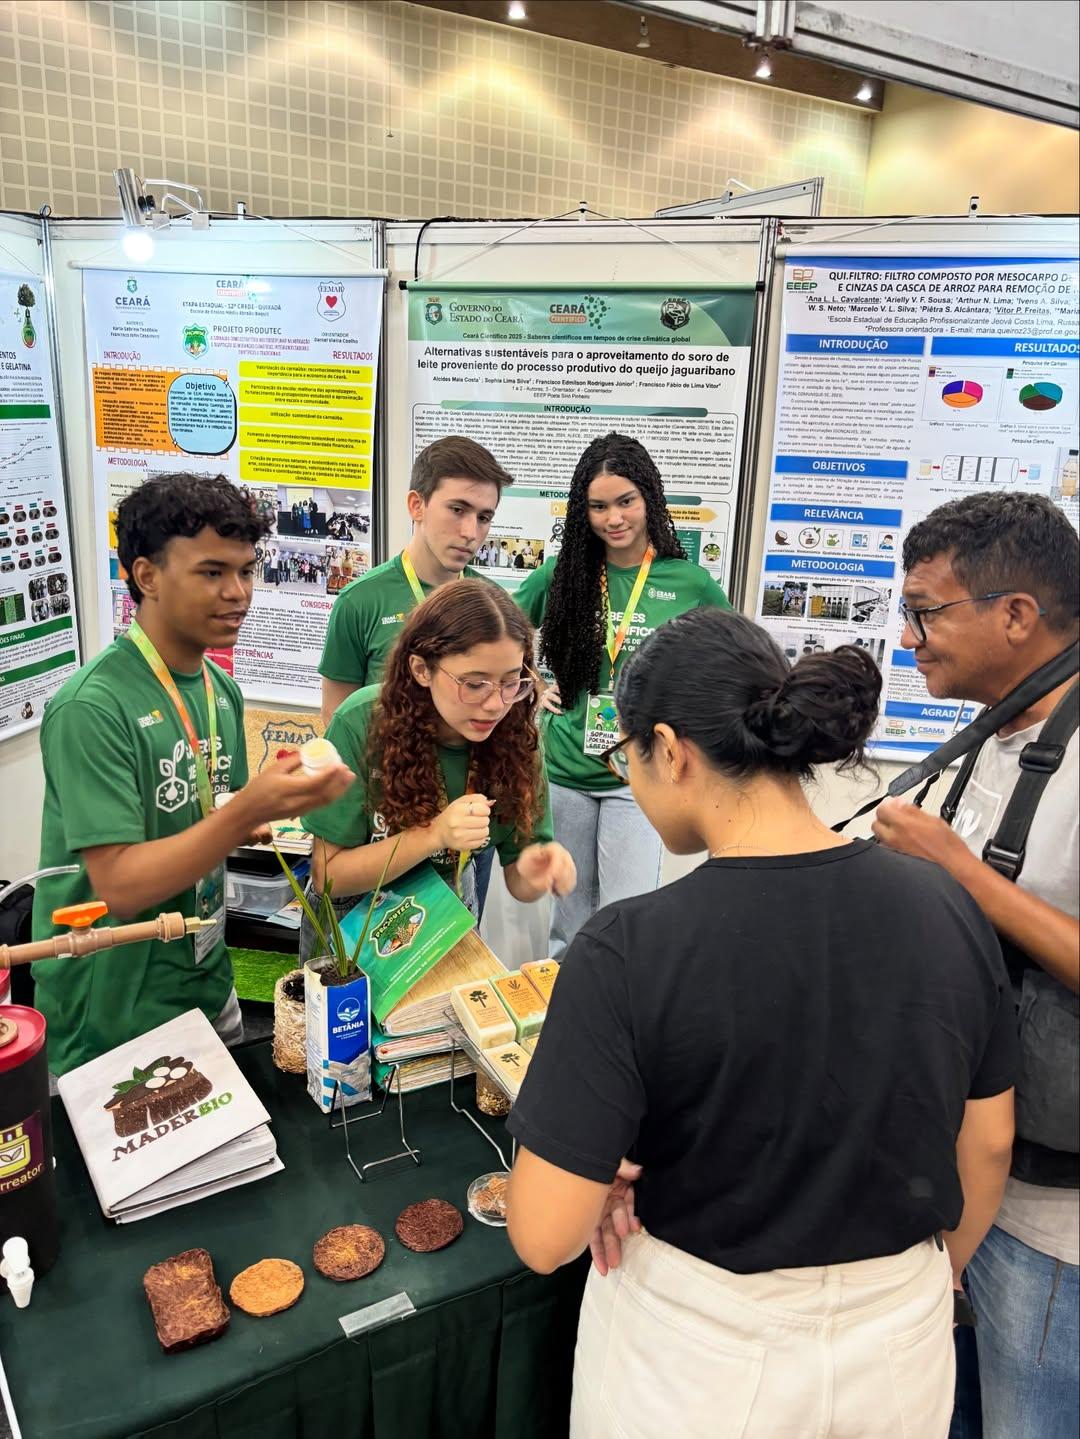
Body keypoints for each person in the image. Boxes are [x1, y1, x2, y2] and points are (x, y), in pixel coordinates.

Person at [504, 606, 1017, 1439]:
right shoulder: (945, 905)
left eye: (626, 754)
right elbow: (987, 1142)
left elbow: (541, 1233)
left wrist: (600, 1169)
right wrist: (904, 1286)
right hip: (902, 1345)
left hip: (697, 1355)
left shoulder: (628, 947)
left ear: (670, 749)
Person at [872, 492, 1079, 1439]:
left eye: (926, 608)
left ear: (1016, 615)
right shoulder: (986, 735)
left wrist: (959, 873)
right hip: (961, 1169)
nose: (909, 635)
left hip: (1052, 1222)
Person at [31, 474, 353, 1077]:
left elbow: (202, 822)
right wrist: (245, 811)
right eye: (211, 572)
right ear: (147, 576)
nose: (238, 593)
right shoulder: (91, 708)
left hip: (206, 983)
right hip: (112, 1009)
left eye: (247, 570)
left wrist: (256, 817)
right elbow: (120, 885)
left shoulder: (220, 690)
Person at [515, 432, 730, 957]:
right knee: (567, 926)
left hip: (640, 776)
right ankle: (565, 1024)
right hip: (565, 767)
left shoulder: (688, 582)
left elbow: (731, 660)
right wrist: (530, 685)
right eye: (598, 506)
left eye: (625, 501)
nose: (613, 518)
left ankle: (621, 1029)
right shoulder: (564, 575)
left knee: (626, 920)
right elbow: (496, 629)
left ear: (649, 501)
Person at [300, 580, 575, 945]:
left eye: (511, 682)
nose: (496, 704)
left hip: (445, 917)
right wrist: (434, 835)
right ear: (421, 669)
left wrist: (536, 870)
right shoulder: (362, 722)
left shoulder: (516, 739)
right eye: (474, 683)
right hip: (351, 925)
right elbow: (327, 874)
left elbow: (520, 880)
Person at [317, 436, 513, 726]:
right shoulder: (361, 601)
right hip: (391, 767)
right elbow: (338, 716)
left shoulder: (494, 603)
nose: (471, 532)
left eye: (484, 517)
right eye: (457, 510)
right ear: (416, 505)